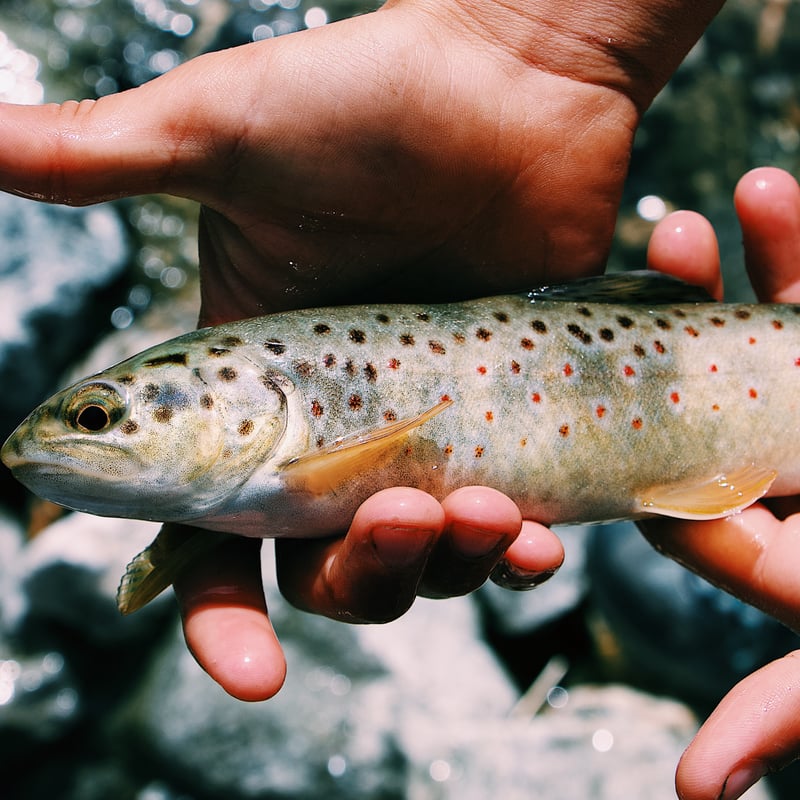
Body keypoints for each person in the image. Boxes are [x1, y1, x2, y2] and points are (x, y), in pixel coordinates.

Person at [0, 0, 796, 796]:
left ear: (250, 398)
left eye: (98, 419)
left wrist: (528, 38)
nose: (61, 444)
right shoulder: (226, 489)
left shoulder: (259, 467)